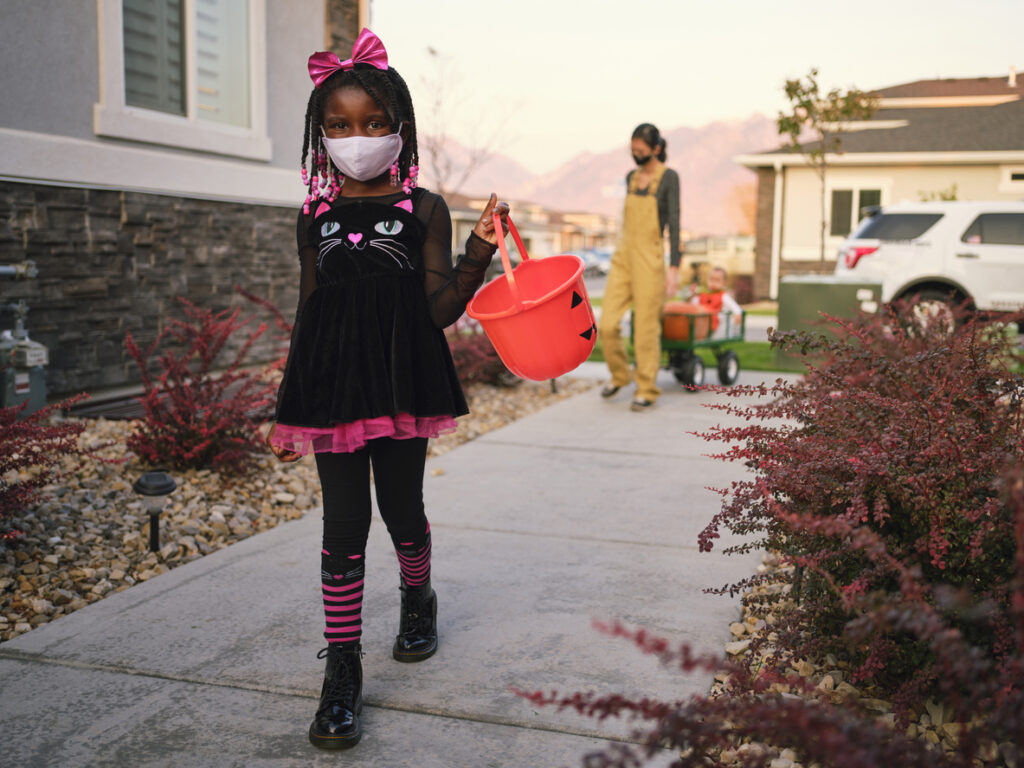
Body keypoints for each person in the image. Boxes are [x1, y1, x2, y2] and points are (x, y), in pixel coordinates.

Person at [265, 29, 509, 751]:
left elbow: (437, 311)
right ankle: (342, 672)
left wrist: (479, 251)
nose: (356, 138)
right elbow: (311, 308)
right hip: (333, 387)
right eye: (338, 126)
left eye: (372, 124)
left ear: (398, 129)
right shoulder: (312, 216)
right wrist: (289, 402)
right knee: (341, 527)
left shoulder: (422, 209)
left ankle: (418, 597)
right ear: (320, 136)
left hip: (404, 381)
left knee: (402, 510)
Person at [597, 123, 681, 411]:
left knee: (646, 329)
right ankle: (620, 374)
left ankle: (646, 387)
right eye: (632, 151)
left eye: (641, 151)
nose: (636, 155)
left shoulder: (669, 178)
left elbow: (675, 222)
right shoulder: (631, 177)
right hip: (623, 259)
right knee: (606, 324)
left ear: (656, 149)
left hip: (651, 261)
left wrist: (674, 268)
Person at [688, 266, 742, 338]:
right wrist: (692, 294)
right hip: (703, 322)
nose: (713, 283)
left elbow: (734, 307)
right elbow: (693, 304)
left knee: (722, 320)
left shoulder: (723, 296)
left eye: (717, 280)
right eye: (711, 280)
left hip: (717, 325)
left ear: (724, 283)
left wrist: (737, 314)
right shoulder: (703, 294)